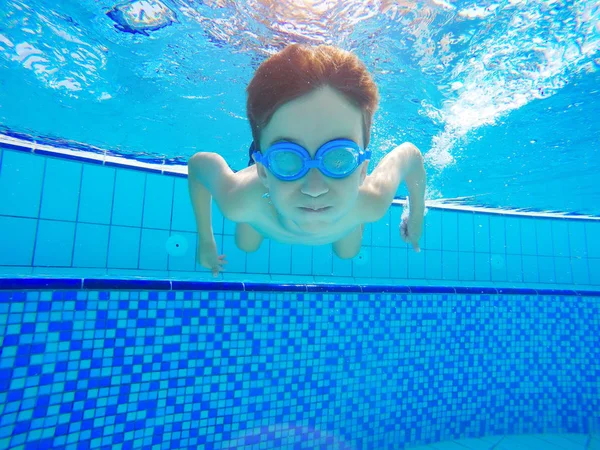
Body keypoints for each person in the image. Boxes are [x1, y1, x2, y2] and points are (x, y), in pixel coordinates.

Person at [188, 44, 426, 277]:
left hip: (348, 212)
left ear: (363, 169)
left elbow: (410, 155)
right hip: (265, 203)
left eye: (339, 157)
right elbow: (199, 164)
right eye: (287, 158)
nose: (314, 189)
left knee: (348, 253)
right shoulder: (239, 200)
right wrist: (205, 239)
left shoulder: (372, 202)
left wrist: (414, 220)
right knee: (246, 244)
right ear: (261, 171)